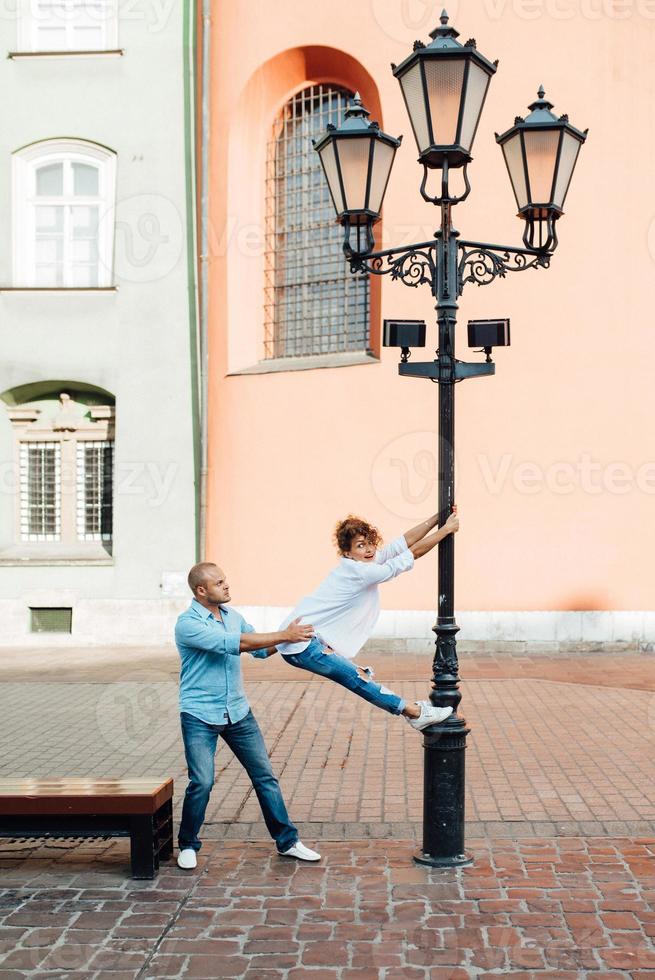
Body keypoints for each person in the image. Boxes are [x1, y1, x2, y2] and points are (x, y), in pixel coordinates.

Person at [175, 561, 321, 870]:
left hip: (237, 712)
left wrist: (298, 636)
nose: (226, 586)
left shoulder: (232, 616)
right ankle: (188, 844)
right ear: (201, 590)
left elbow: (260, 650)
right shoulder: (188, 624)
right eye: (219, 583)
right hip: (199, 713)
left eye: (225, 580)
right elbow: (238, 644)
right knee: (202, 781)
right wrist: (284, 634)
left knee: (265, 777)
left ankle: (288, 842)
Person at [274, 509, 460, 732]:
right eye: (361, 545)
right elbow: (411, 555)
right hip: (304, 646)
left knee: (358, 677)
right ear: (348, 552)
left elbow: (401, 544)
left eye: (370, 542)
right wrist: (447, 530)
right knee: (358, 680)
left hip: (303, 642)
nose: (370, 549)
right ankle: (415, 713)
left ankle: (413, 712)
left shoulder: (360, 564)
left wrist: (437, 519)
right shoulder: (361, 572)